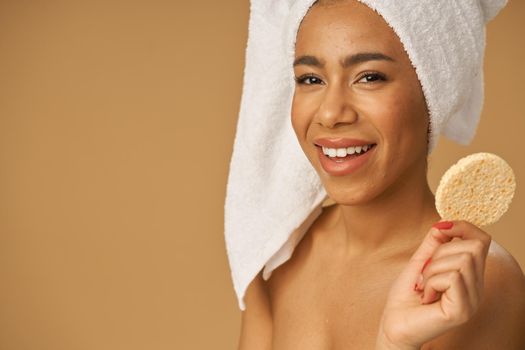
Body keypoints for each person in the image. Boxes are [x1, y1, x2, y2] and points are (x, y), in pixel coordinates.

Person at [233, 0, 525, 349]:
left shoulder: (474, 282)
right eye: (311, 79)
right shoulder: (279, 257)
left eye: (369, 77)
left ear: (434, 92)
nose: (330, 113)